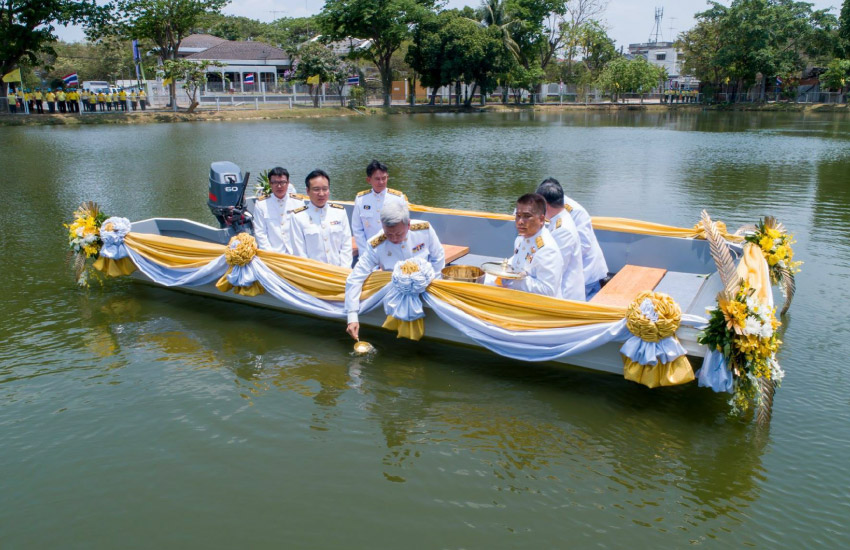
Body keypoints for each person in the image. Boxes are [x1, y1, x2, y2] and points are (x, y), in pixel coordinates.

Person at [345, 201, 445, 340]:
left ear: (408, 225)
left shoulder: (424, 230)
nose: (394, 239)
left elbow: (438, 258)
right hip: (394, 295)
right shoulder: (376, 245)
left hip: (428, 287)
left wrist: (431, 285)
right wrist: (352, 315)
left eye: (398, 233)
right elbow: (356, 277)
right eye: (389, 234)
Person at [540, 178, 609, 299]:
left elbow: (584, 245)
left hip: (587, 273)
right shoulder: (557, 213)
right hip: (575, 273)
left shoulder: (576, 212)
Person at [489, 193, 563, 298]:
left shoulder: (547, 249)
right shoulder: (521, 238)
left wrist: (513, 279)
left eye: (527, 216)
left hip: (539, 308)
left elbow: (548, 290)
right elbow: (517, 262)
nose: (520, 222)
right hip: (519, 296)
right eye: (518, 216)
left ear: (541, 220)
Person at [289, 169, 353, 268]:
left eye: (325, 189)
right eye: (316, 189)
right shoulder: (298, 217)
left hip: (340, 272)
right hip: (314, 275)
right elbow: (299, 253)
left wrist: (344, 270)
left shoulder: (340, 212)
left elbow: (346, 246)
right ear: (307, 191)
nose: (321, 193)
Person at [535, 180, 586, 301]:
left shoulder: (562, 230)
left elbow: (555, 266)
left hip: (566, 296)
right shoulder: (559, 221)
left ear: (545, 205)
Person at [351, 159, 408, 254]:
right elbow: (357, 228)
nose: (381, 182)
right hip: (369, 249)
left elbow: (405, 227)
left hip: (393, 249)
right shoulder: (361, 199)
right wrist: (364, 251)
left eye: (384, 178)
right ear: (369, 180)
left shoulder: (398, 198)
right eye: (377, 179)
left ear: (388, 177)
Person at [252, 167, 304, 254]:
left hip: (296, 253)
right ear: (270, 183)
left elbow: (303, 229)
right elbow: (260, 232)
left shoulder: (298, 202)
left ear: (288, 183)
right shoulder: (261, 204)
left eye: (282, 182)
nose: (279, 186)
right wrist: (271, 255)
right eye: (275, 182)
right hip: (273, 254)